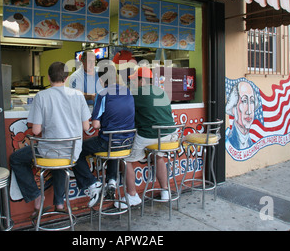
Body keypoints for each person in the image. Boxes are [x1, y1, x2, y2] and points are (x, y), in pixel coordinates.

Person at [9, 61, 91, 215]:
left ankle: (35, 195)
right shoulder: (78, 95)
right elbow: (86, 127)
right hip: (72, 152)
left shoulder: (41, 96)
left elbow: (36, 129)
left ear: (48, 77)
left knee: (16, 159)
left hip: (50, 152)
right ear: (66, 78)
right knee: (59, 161)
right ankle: (59, 204)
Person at [72, 63, 135, 207]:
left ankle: (92, 183)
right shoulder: (128, 91)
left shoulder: (103, 94)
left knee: (75, 151)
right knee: (113, 145)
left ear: (101, 79)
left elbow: (95, 125)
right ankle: (111, 181)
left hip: (109, 142)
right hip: (126, 143)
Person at [116, 66, 177, 208]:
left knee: (125, 159)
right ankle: (165, 191)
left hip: (151, 135)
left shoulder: (137, 94)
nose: (133, 83)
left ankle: (132, 196)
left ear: (141, 80)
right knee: (158, 156)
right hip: (171, 135)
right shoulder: (162, 91)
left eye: (134, 80)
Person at [225, 80, 260, 150]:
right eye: (244, 101)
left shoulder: (250, 143)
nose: (249, 111)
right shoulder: (230, 140)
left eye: (252, 101)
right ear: (233, 109)